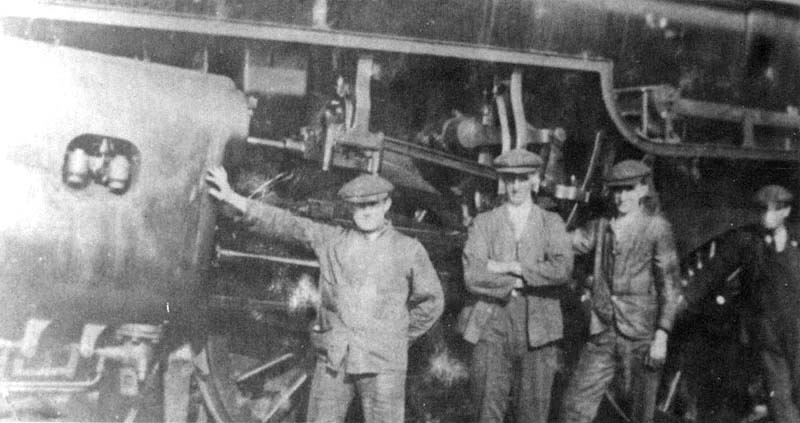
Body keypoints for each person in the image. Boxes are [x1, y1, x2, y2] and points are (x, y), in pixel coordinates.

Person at [205, 167, 444, 423]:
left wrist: (397, 337)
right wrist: (232, 197)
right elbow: (286, 224)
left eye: (372, 204)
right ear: (350, 209)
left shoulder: (409, 250)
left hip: (383, 366)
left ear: (387, 204)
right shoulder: (332, 241)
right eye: (358, 205)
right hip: (335, 360)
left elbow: (432, 301)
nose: (365, 212)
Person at [559, 159, 682, 423]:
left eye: (628, 189)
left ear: (642, 190)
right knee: (574, 408)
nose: (621, 197)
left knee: (639, 415)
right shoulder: (602, 226)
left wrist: (661, 335)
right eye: (616, 190)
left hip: (641, 338)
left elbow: (670, 286)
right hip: (602, 332)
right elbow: (568, 241)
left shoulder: (657, 228)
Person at [460, 148, 573, 423]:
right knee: (487, 410)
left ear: (535, 180)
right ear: (502, 180)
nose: (516, 186)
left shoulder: (551, 222)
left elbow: (563, 269)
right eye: (510, 178)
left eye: (523, 178)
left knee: (532, 415)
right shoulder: (485, 222)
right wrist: (515, 280)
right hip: (492, 323)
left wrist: (513, 266)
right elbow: (472, 274)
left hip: (538, 327)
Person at [684, 184, 800, 422]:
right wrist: (684, 297)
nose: (767, 215)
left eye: (774, 209)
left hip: (795, 330)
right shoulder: (745, 240)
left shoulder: (796, 242)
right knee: (780, 398)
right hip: (766, 332)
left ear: (786, 211)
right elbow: (714, 270)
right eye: (762, 210)